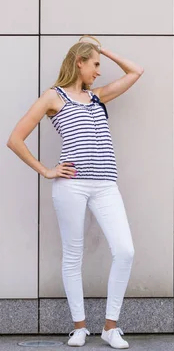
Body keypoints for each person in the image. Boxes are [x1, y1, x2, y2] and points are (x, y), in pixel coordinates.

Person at [7, 36, 144, 349]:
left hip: (106, 184)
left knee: (125, 251)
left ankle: (110, 327)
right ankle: (79, 328)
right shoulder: (52, 98)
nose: (98, 71)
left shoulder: (97, 97)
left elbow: (136, 72)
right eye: (95, 64)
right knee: (73, 255)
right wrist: (46, 170)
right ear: (79, 62)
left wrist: (103, 49)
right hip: (71, 185)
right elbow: (15, 138)